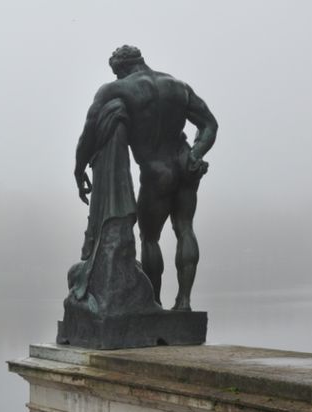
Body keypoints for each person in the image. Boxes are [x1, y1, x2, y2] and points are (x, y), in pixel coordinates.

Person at [74, 45, 218, 311]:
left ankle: (154, 304)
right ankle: (184, 302)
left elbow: (89, 132)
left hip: (156, 171)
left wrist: (79, 166)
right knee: (185, 228)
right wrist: (195, 154)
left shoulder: (116, 90)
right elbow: (210, 124)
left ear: (121, 68)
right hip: (184, 163)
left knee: (149, 238)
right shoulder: (178, 86)